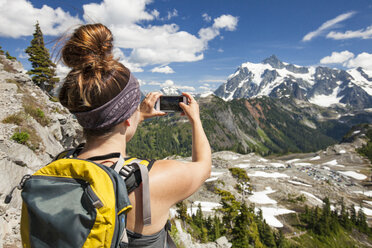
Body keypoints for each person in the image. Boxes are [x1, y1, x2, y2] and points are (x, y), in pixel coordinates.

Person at [58, 23, 212, 247]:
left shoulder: (61, 164)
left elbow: (110, 129)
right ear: (127, 119)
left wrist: (135, 114)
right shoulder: (149, 182)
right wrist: (196, 120)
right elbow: (203, 167)